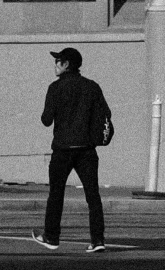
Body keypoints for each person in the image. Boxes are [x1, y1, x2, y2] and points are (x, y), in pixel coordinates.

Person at [33, 46, 111, 251]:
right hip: (86, 149)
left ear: (66, 64)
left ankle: (51, 237)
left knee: (56, 193)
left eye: (57, 61)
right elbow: (105, 114)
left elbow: (46, 120)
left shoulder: (55, 88)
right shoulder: (92, 87)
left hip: (62, 149)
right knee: (92, 195)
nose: (55, 65)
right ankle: (98, 240)